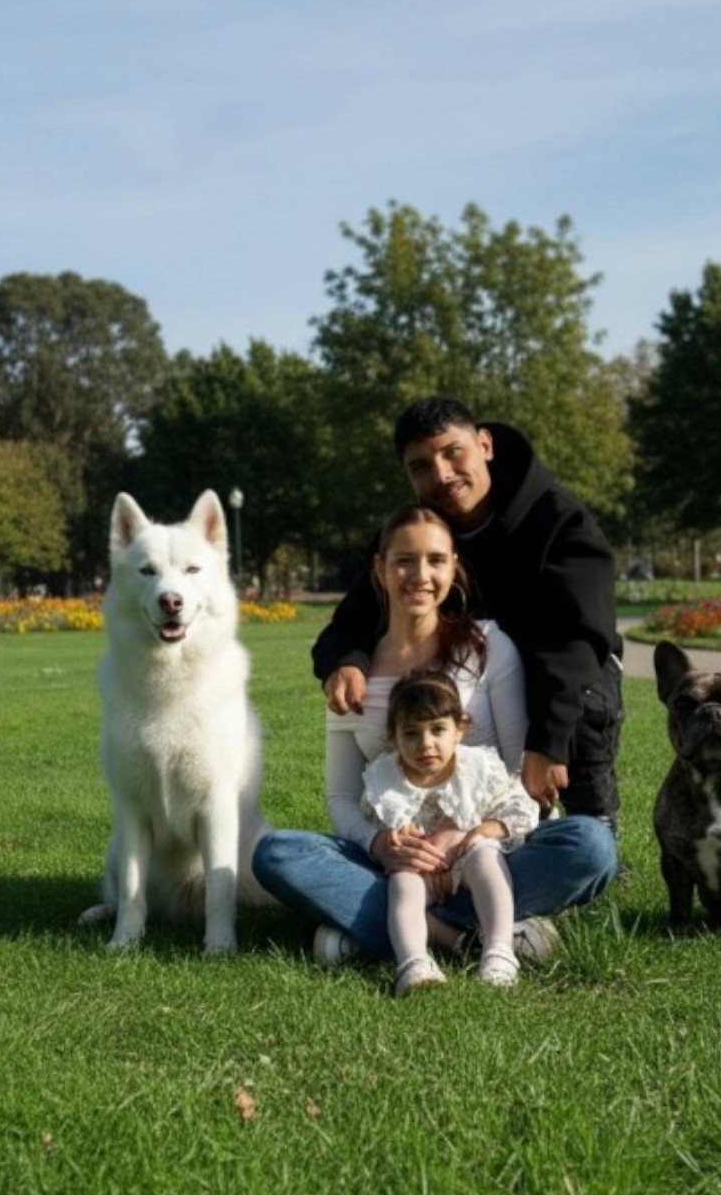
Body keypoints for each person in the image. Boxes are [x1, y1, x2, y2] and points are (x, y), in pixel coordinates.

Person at [253, 502, 616, 970]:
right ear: (379, 570)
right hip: (398, 859)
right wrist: (381, 844)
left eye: (436, 560)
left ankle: (385, 932)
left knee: (591, 845)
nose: (419, 575)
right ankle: (471, 936)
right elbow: (343, 798)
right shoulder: (351, 671)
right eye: (404, 560)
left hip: (485, 851)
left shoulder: (487, 649)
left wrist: (470, 836)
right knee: (276, 853)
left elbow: (513, 773)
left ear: (454, 570)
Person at [314, 396, 625, 825]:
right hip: (473, 689)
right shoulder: (421, 534)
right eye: (420, 466)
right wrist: (344, 660)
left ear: (485, 444)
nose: (441, 474)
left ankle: (594, 820)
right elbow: (351, 619)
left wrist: (548, 741)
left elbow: (580, 637)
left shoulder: (559, 521)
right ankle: (447, 830)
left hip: (564, 676)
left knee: (586, 840)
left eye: (451, 452)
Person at [366, 669, 540, 994]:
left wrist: (485, 829)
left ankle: (499, 951)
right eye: (411, 734)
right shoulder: (384, 778)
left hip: (468, 862)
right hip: (423, 872)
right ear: (394, 738)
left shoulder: (478, 767)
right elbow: (374, 824)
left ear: (459, 730)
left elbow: (522, 808)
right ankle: (414, 962)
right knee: (402, 882)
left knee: (485, 855)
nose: (426, 744)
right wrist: (393, 841)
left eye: (437, 730)